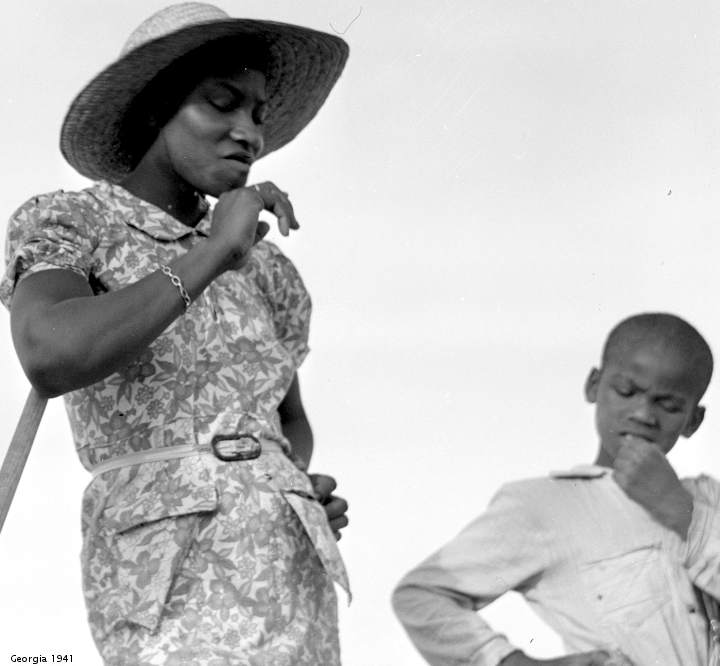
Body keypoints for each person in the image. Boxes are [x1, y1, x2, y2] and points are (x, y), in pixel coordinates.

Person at [1, 3, 351, 664]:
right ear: (154, 108)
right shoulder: (78, 223)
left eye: (259, 113)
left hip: (286, 568)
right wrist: (215, 252)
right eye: (222, 103)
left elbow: (286, 417)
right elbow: (50, 354)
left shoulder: (268, 269)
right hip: (163, 572)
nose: (249, 133)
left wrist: (286, 481)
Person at [392, 312, 720, 666]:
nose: (643, 414)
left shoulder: (709, 498)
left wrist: (680, 510)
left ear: (693, 420)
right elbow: (421, 595)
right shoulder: (546, 506)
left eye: (669, 405)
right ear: (594, 385)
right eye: (626, 391)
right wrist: (512, 662)